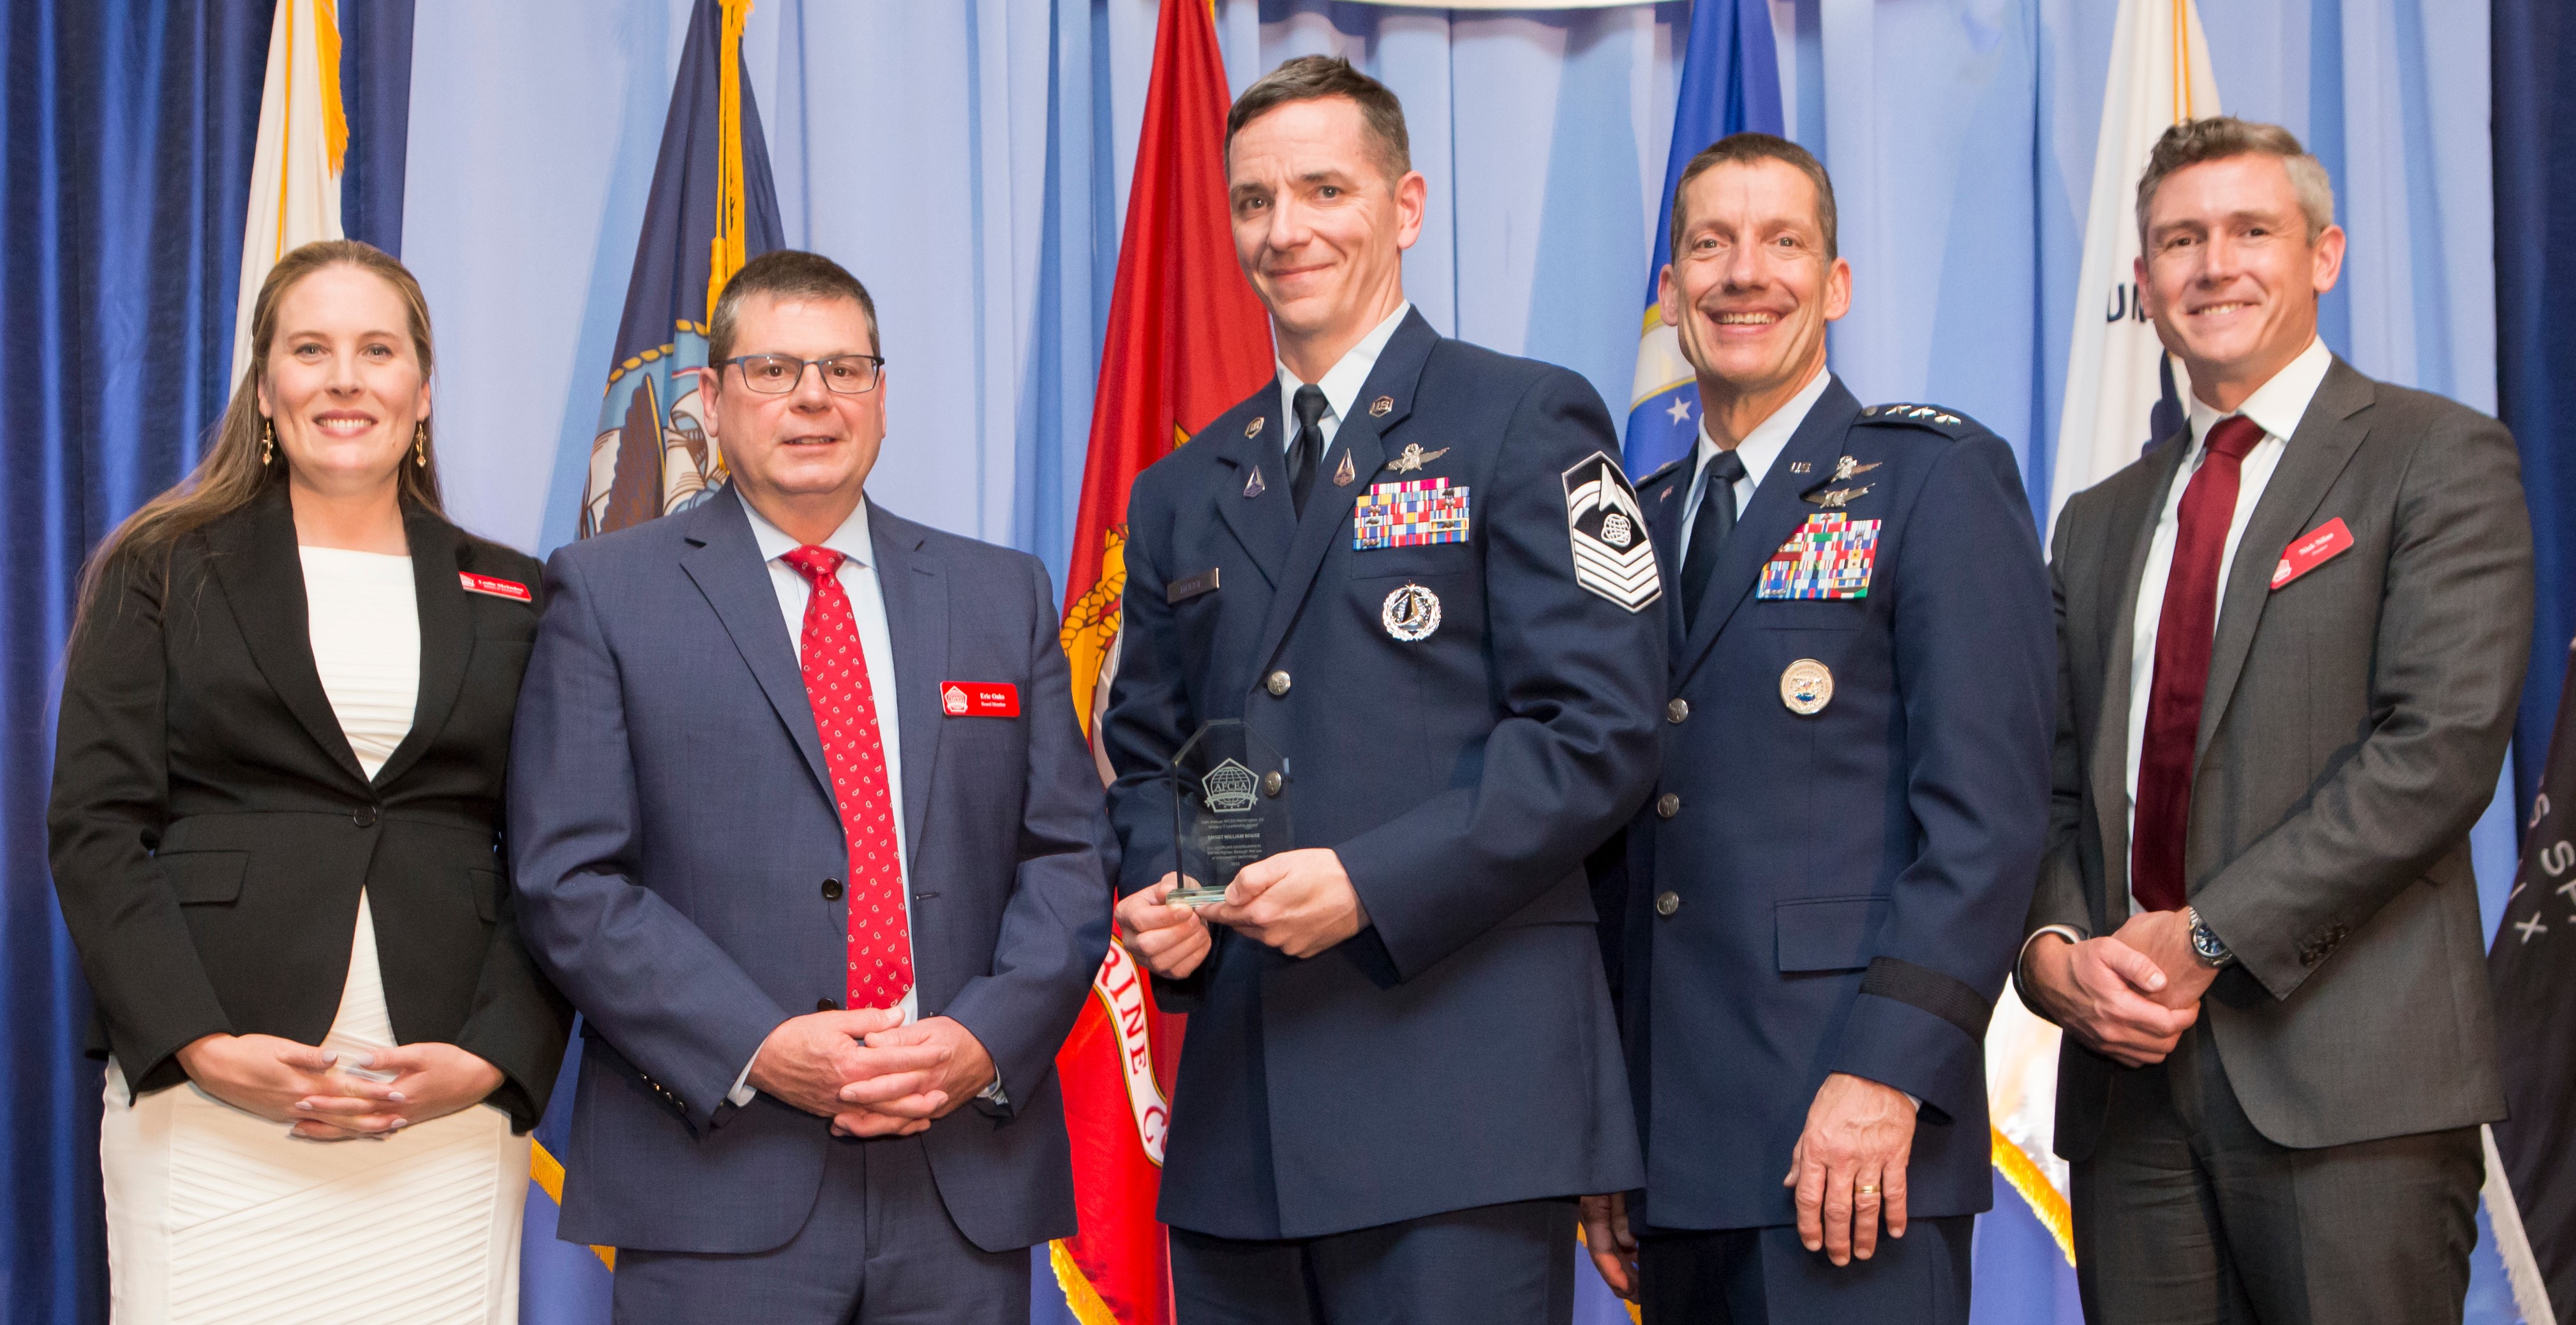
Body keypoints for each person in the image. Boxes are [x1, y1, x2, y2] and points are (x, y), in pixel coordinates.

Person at [1105, 56, 1662, 1325]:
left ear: (1404, 206)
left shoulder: (1523, 420)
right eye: (1255, 202)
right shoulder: (1187, 485)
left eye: (1323, 190)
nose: (1285, 230)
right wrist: (1190, 888)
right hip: (1246, 1115)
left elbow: (1599, 730)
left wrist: (1369, 883)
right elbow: (1171, 748)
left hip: (1459, 1101)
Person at [507, 249, 1112, 1323]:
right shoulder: (607, 592)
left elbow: (1066, 855)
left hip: (959, 1173)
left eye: (844, 369)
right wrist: (757, 1046)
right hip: (716, 1175)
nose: (813, 400)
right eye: (774, 370)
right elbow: (570, 877)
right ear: (710, 398)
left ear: (882, 397)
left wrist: (981, 1042)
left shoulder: (998, 593)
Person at [2016, 117, 2533, 1324]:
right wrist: (2051, 958)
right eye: (2178, 241)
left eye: (2252, 231)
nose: (2213, 265)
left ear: (2325, 254)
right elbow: (2040, 785)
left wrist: (2201, 940)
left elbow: (2437, 751)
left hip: (2348, 1093)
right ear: (2142, 286)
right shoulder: (2096, 519)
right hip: (2125, 1096)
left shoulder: (2434, 457)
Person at [1576, 135, 2053, 1323]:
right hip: (1670, 1153)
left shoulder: (1934, 479)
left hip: (1850, 1134)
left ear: (1833, 284)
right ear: (1673, 295)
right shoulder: (1633, 521)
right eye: (1709, 246)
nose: (1745, 275)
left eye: (1781, 243)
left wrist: (1887, 1073)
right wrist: (1606, 1124)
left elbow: (1987, 819)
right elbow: (1613, 843)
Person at [47, 239, 569, 1324]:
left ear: (421, 392)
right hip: (211, 1100)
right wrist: (200, 1044)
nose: (345, 377)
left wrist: (490, 1062)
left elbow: (561, 856)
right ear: (266, 386)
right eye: (311, 348)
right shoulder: (163, 565)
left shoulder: (516, 592)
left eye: (377, 349)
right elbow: (96, 829)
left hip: (439, 1106)